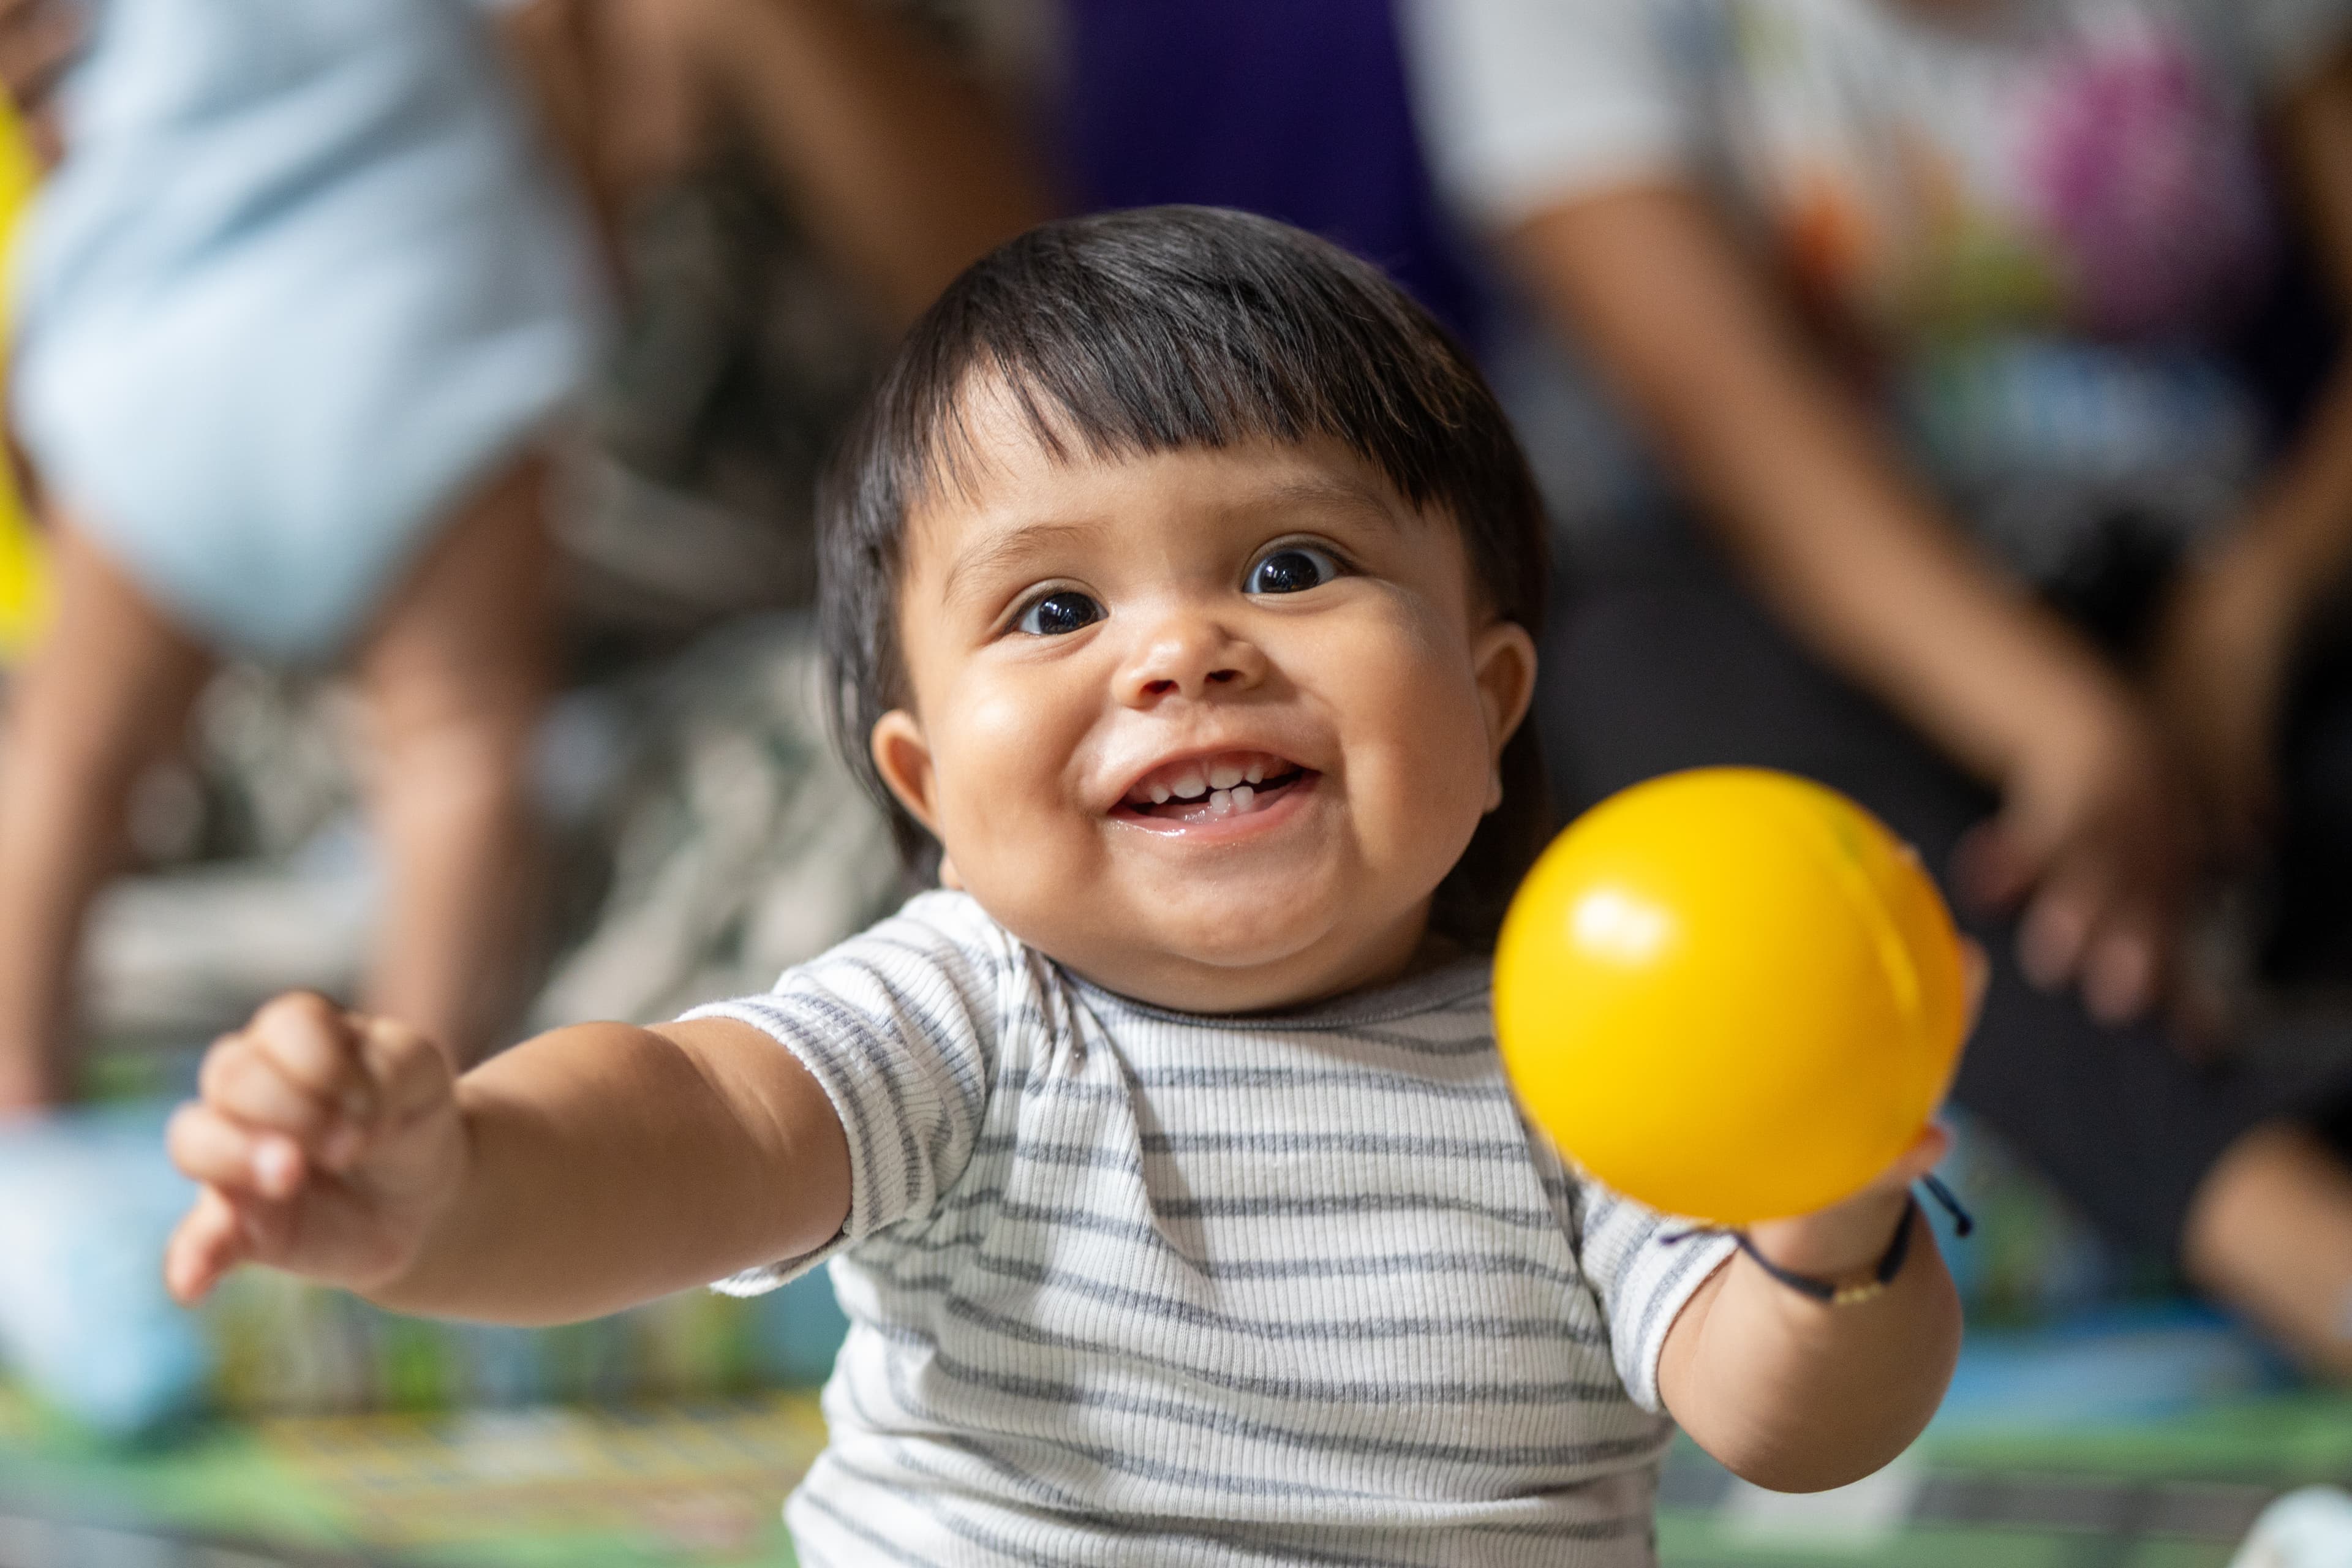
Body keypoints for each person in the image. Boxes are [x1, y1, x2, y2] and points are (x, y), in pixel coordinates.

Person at [160, 208, 1964, 1564]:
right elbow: (691, 1125)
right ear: (931, 792)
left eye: (1290, 561)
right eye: (1053, 609)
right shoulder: (974, 1009)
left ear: (1493, 705)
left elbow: (1788, 1428)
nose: (1181, 650)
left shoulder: (1585, 1042)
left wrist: (1826, 1223)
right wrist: (454, 1182)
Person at [1402, 0, 2352, 1372]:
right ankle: (2281, 1226)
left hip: (2197, 571)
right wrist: (2061, 719)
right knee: (1622, 671)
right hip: (1781, 616)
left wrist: (2246, 617)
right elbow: (1723, 413)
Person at [0, 0, 1047, 1108]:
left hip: (688, 701)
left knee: (923, 775)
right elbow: (70, 458)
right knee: (114, 753)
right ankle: (387, 1092)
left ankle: (403, 1106)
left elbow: (1038, 372)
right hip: (280, 693)